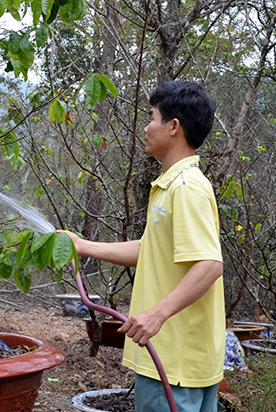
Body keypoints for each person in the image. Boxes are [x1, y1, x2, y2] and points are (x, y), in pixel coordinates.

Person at [60, 81, 224, 412]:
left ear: (173, 127)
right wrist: (84, 246)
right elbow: (149, 250)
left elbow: (209, 264)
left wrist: (156, 315)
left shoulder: (185, 187)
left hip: (173, 359)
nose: (147, 128)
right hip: (179, 359)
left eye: (151, 117)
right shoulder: (173, 185)